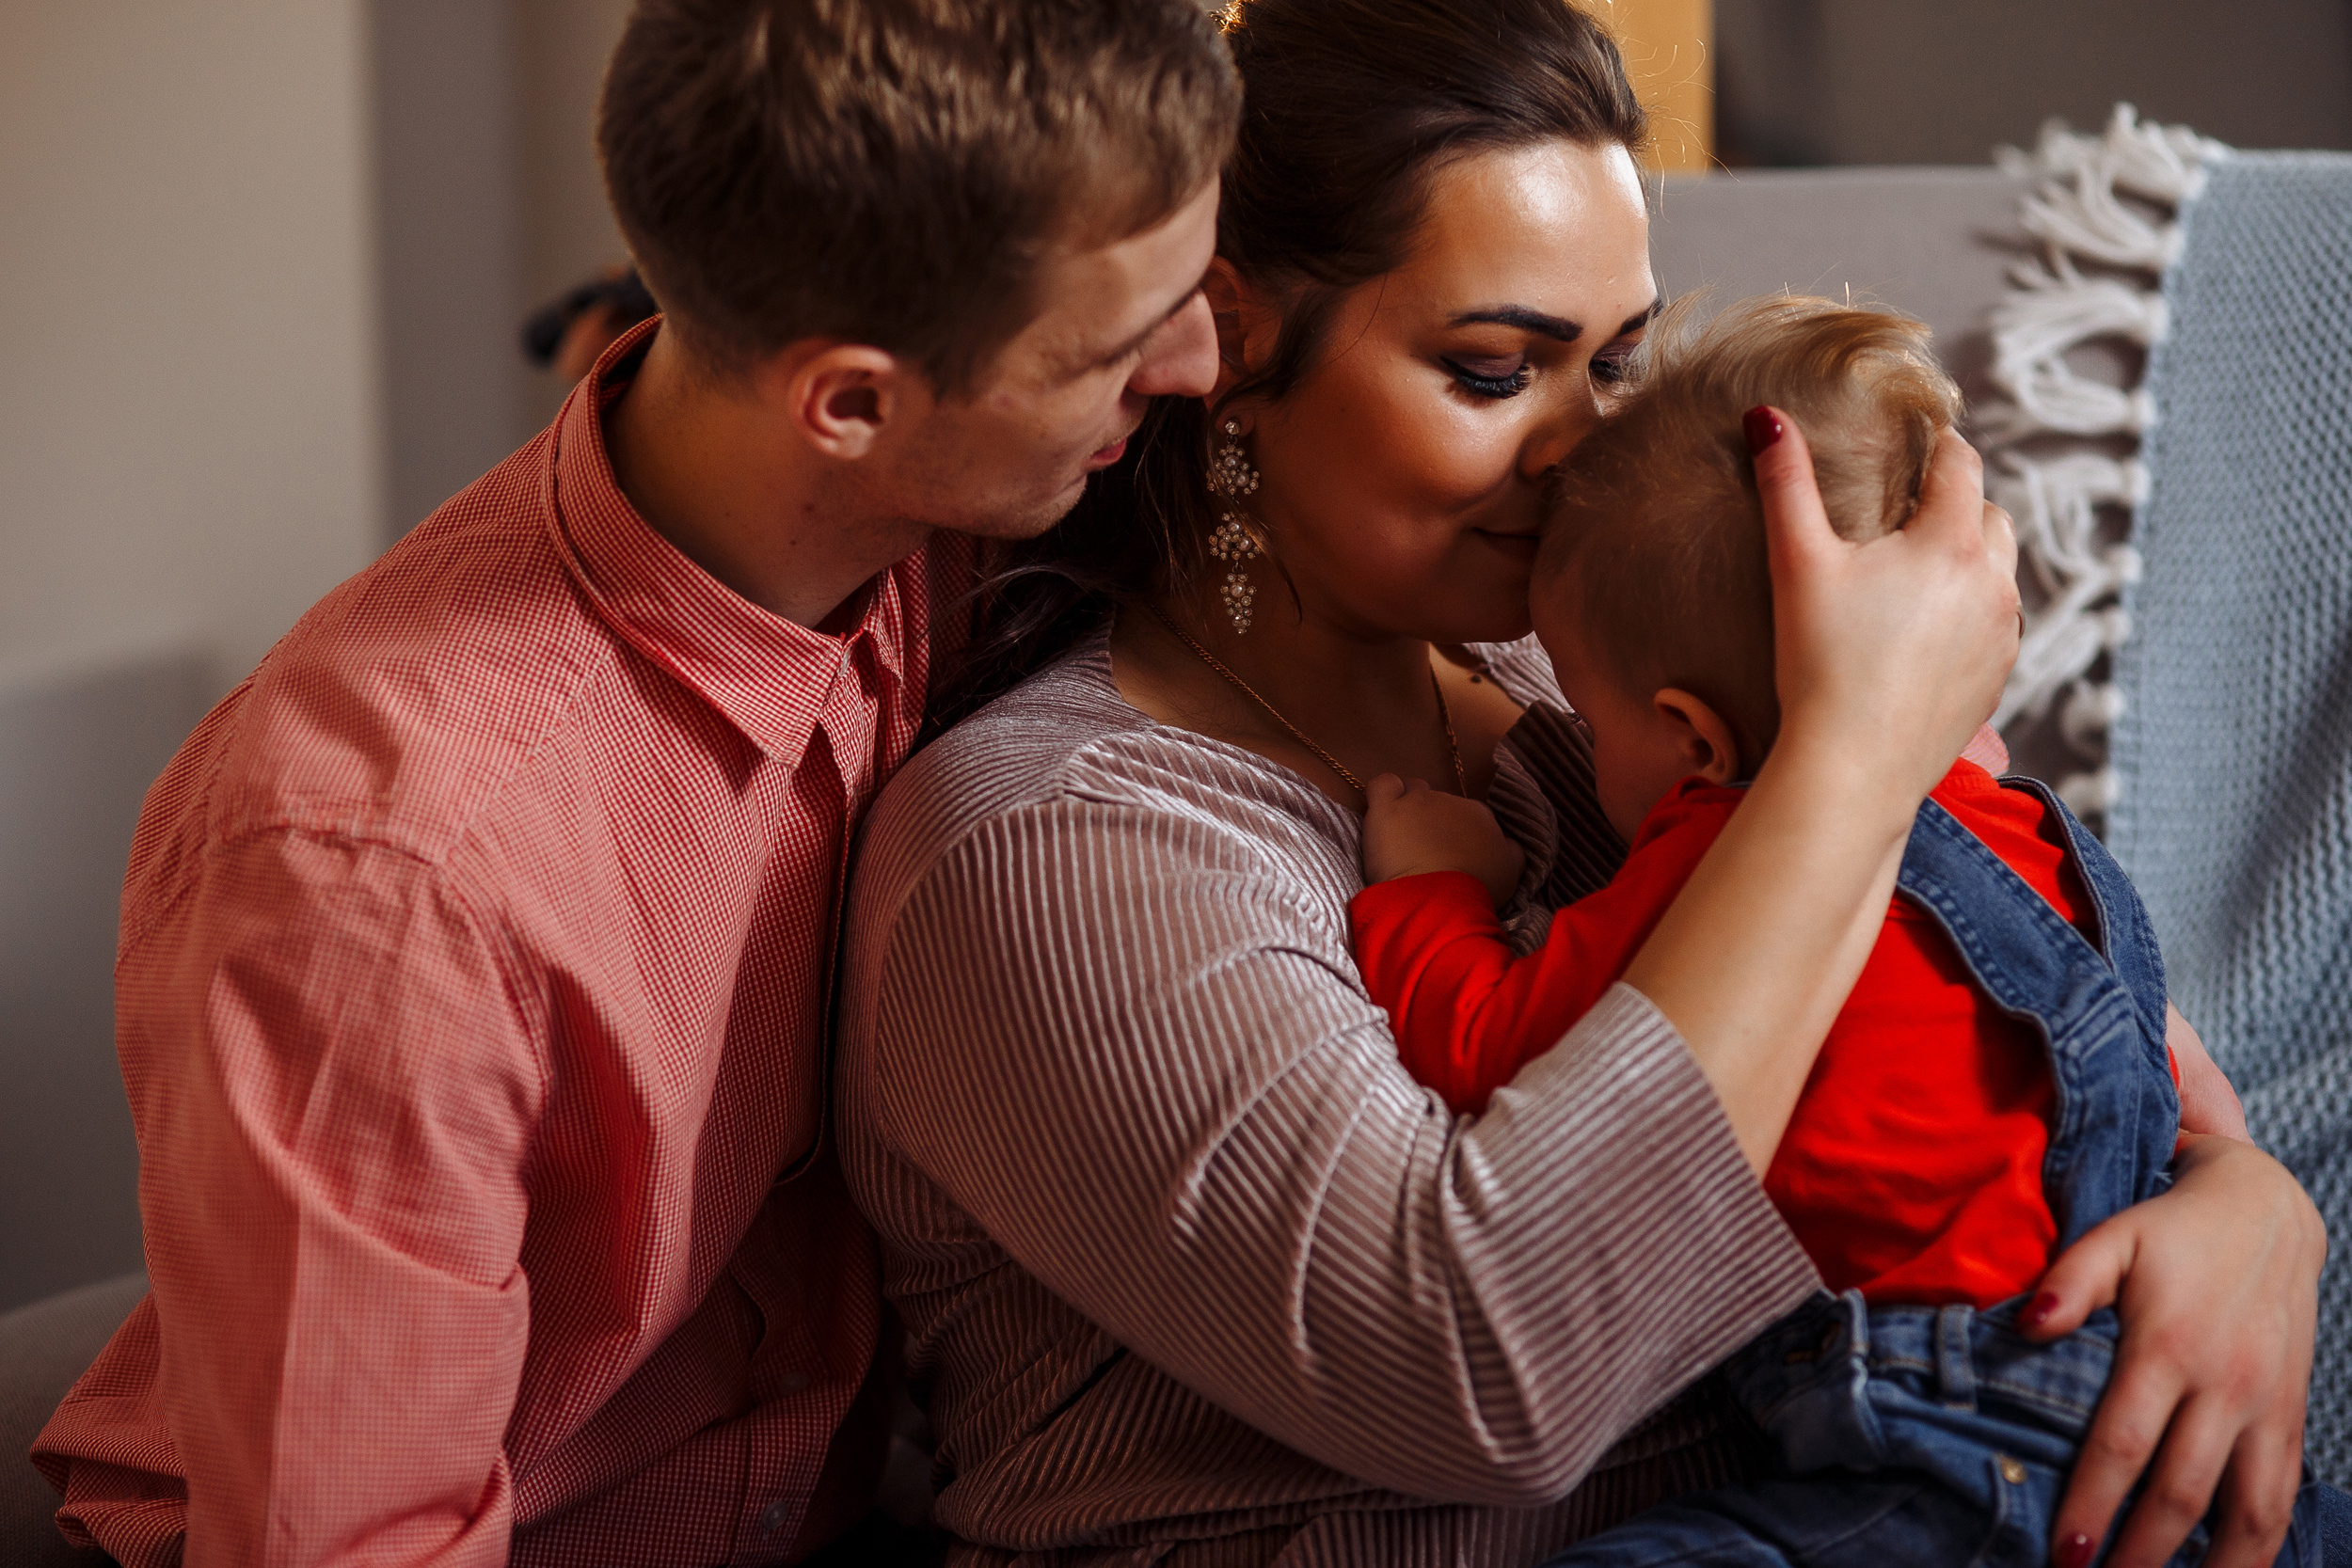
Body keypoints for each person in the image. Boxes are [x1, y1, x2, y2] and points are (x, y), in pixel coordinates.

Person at [834, 2, 2327, 1566]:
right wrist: (1854, 753)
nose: (1589, 445)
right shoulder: (1049, 839)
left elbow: (2051, 1018)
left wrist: (2247, 1208)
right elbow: (1492, 1375)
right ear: (1228, 342)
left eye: (1621, 360)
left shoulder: (1573, 684)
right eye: (1493, 369)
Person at [26, 2, 1240, 1563]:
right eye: (1118, 345)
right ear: (852, 401)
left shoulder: (938, 517)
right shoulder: (380, 876)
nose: (1199, 363)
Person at [1346, 295, 2329, 1566]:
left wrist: (1432, 889)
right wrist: (2249, 1187)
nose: (1584, 755)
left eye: (1595, 725)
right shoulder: (2016, 828)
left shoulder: (1710, 863)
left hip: (1943, 1435)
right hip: (2175, 1425)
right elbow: (2194, 1104)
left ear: (1696, 739)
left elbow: (1484, 1045)